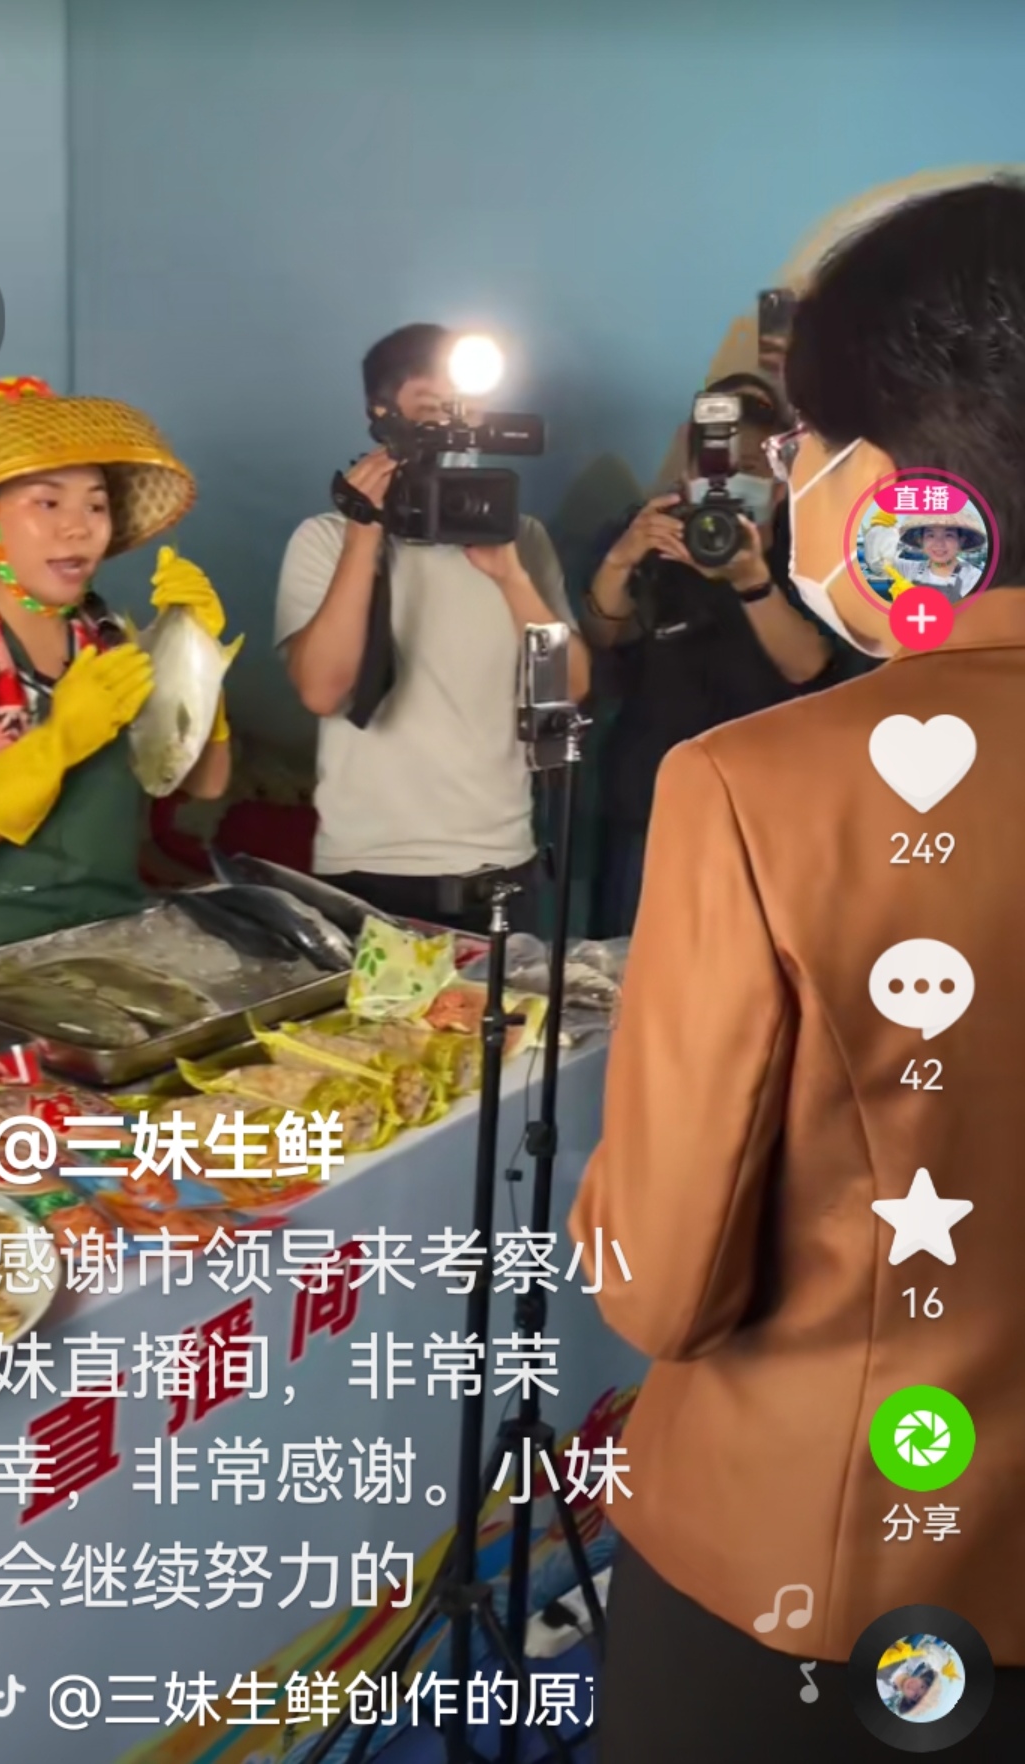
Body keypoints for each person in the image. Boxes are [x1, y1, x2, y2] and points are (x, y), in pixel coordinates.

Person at [571, 177, 1025, 1761]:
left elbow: (665, 1279)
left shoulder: (759, 785)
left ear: (889, 490)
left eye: (802, 447)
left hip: (821, 1564)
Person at [275, 323, 588, 935]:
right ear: (381, 414)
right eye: (430, 410)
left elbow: (569, 688)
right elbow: (322, 690)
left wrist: (510, 577)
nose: (447, 428)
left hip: (499, 867)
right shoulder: (325, 540)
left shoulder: (522, 539)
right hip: (365, 869)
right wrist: (363, 535)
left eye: (461, 412)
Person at [0, 376, 233, 959]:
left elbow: (204, 782)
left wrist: (196, 657)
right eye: (47, 502)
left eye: (95, 504)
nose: (79, 526)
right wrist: (55, 745)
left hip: (109, 951)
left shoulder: (110, 644)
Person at [583, 372, 867, 938]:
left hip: (769, 815)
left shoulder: (814, 551)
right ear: (689, 474)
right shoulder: (653, 537)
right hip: (653, 807)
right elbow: (603, 636)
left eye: (753, 469)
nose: (732, 483)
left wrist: (751, 579)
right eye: (719, 468)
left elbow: (810, 667)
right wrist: (622, 558)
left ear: (781, 484)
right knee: (626, 970)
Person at [865, 507, 987, 604]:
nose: (939, 543)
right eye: (930, 535)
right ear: (921, 540)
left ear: (961, 541)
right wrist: (881, 528)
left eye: (948, 535)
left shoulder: (974, 578)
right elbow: (878, 563)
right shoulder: (909, 569)